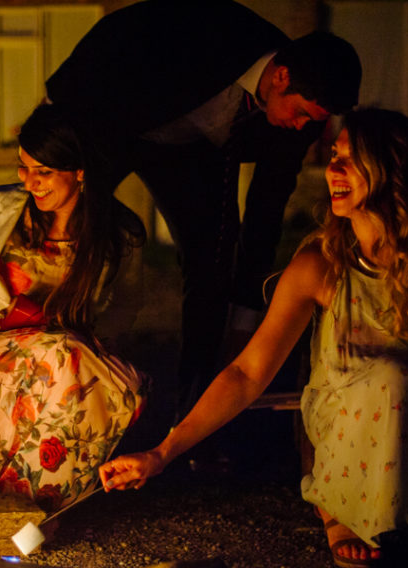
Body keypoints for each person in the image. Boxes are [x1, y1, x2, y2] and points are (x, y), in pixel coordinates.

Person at [99, 109, 408, 568]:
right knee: (392, 380)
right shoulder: (322, 264)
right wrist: (162, 453)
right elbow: (247, 371)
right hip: (354, 416)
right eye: (334, 156)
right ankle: (339, 507)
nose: (332, 170)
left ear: (392, 170)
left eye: (350, 160)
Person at [45, 0, 361, 423]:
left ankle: (195, 417)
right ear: (281, 76)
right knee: (68, 233)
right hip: (113, 125)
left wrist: (245, 323)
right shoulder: (212, 32)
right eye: (302, 113)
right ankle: (42, 378)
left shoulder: (296, 123)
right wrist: (57, 130)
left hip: (191, 152)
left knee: (212, 258)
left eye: (315, 122)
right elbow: (119, 38)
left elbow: (266, 209)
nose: (304, 127)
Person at [0, 103, 147, 513]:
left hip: (65, 369)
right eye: (23, 168)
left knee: (73, 365)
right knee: (57, 355)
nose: (29, 183)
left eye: (43, 172)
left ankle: (28, 505)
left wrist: (89, 350)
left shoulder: (120, 233)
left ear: (79, 171)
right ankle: (27, 503)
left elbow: (123, 310)